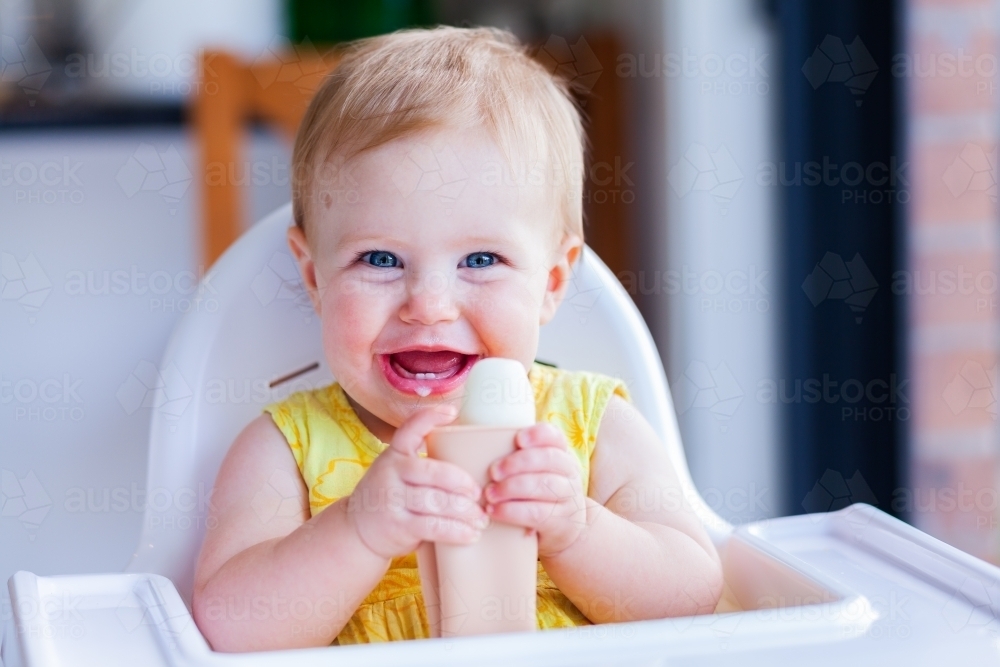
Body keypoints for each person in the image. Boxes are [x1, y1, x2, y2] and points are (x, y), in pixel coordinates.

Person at [192, 25, 723, 652]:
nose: (429, 307)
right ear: (315, 277)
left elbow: (694, 598)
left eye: (480, 260)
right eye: (381, 260)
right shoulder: (285, 449)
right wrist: (356, 530)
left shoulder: (592, 429)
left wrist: (575, 530)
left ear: (551, 282)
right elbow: (229, 626)